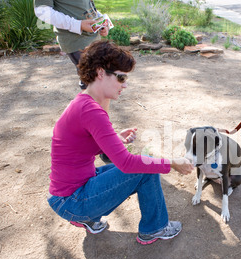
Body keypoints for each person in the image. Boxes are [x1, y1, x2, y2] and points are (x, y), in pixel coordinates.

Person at [47, 40, 194, 245]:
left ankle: (94, 218)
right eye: (121, 77)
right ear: (100, 73)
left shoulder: (85, 102)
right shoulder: (91, 111)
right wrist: (172, 163)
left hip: (72, 192)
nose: (125, 84)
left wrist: (116, 138)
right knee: (146, 165)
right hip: (72, 200)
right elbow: (125, 163)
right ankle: (155, 228)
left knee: (145, 165)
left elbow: (90, 146)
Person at [34, 0, 109, 90]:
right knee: (93, 80)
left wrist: (101, 21)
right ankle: (89, 103)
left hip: (93, 37)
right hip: (76, 41)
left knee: (100, 79)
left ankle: (93, 103)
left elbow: (86, 5)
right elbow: (42, 11)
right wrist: (78, 25)